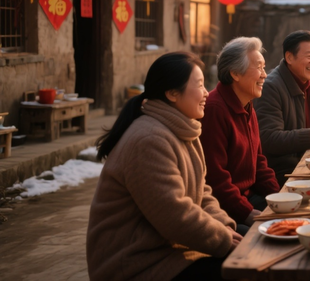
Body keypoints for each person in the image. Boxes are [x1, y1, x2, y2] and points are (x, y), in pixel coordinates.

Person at [88, 52, 242, 281]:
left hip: (171, 250)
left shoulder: (183, 129)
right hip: (136, 263)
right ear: (172, 93)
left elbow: (202, 192)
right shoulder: (149, 139)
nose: (205, 94)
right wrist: (224, 239)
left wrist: (226, 227)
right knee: (241, 269)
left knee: (249, 245)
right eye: (199, 85)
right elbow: (175, 215)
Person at [200, 37, 280, 236]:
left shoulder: (247, 105)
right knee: (268, 236)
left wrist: (279, 198)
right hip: (223, 208)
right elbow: (215, 179)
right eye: (259, 68)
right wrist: (248, 213)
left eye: (264, 67)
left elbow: (259, 162)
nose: (264, 75)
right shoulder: (214, 109)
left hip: (248, 197)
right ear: (235, 73)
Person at [255, 30, 310, 186]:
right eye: (309, 56)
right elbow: (268, 139)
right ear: (289, 57)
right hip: (283, 171)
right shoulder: (271, 87)